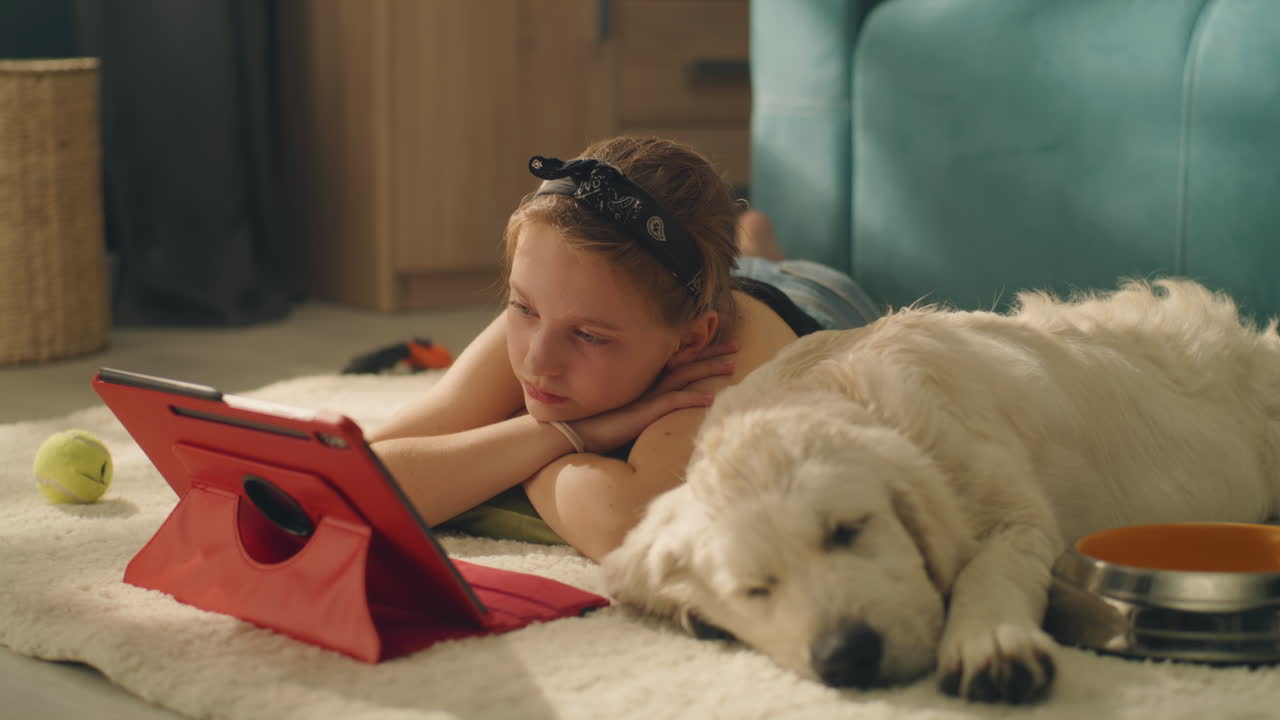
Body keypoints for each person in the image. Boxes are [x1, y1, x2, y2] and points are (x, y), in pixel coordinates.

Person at [368, 137, 879, 562]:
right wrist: (568, 434)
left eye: (588, 336)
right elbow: (359, 477)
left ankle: (759, 251)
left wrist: (494, 455)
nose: (537, 362)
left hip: (818, 301)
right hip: (702, 290)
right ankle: (752, 247)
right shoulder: (564, 299)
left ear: (688, 341)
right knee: (735, 266)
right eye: (522, 308)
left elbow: (625, 526)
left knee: (770, 272)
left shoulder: (713, 370)